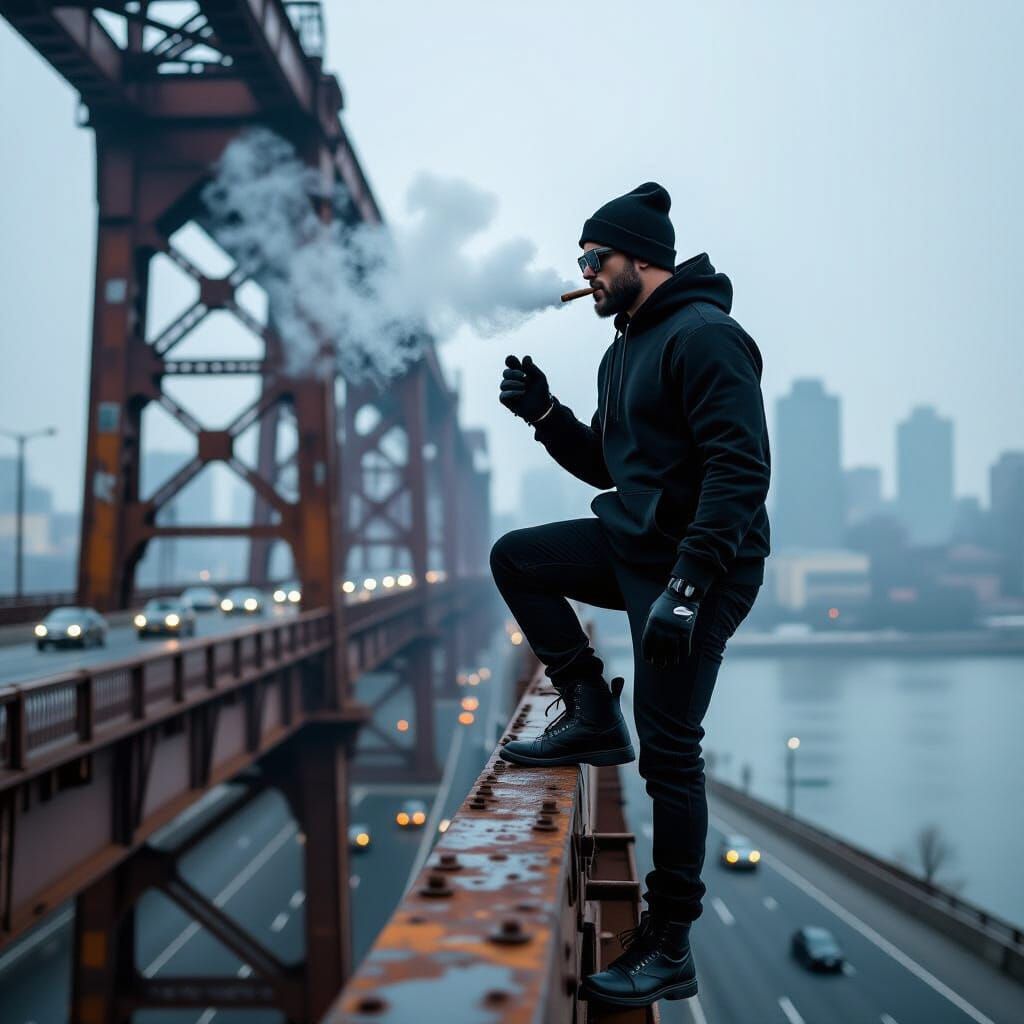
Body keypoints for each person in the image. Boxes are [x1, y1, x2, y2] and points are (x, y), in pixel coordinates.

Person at [489, 182, 771, 1008]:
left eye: (593, 258)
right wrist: (546, 414)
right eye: (582, 260)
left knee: (672, 751)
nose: (584, 274)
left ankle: (670, 943)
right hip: (639, 542)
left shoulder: (708, 337)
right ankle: (589, 711)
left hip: (705, 566)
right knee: (518, 559)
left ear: (640, 256)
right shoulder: (622, 350)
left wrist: (685, 587)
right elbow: (618, 470)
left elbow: (740, 471)